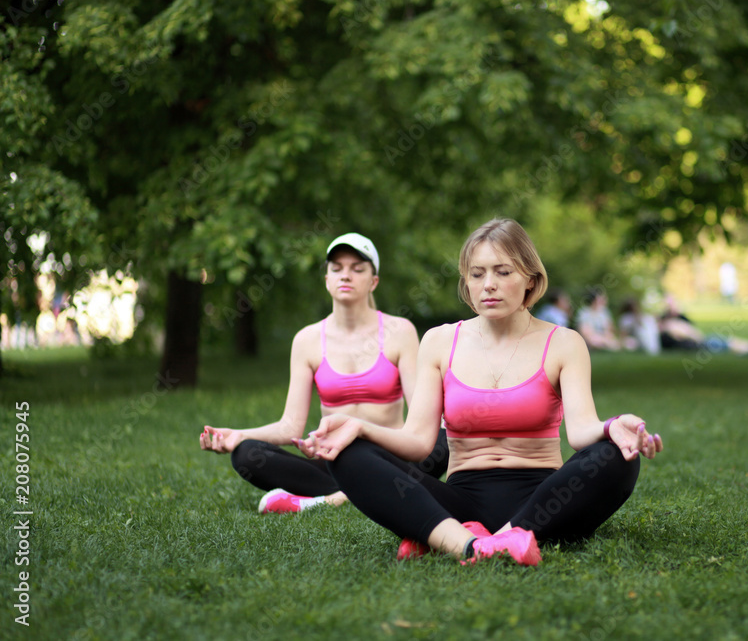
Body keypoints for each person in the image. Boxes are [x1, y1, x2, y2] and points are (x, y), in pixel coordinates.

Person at [293, 219, 662, 565]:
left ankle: (454, 536)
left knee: (619, 456)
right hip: (461, 498)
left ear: (530, 280)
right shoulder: (439, 341)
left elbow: (582, 431)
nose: (489, 284)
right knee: (348, 453)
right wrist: (359, 428)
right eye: (477, 274)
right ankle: (473, 544)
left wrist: (613, 426)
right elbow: (420, 442)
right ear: (466, 282)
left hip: (544, 499)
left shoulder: (564, 342)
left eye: (503, 272)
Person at [199, 233, 448, 514]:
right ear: (327, 279)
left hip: (390, 460)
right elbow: (290, 426)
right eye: (337, 268)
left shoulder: (400, 332)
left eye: (357, 268)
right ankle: (360, 493)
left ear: (373, 281)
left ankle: (330, 499)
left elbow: (420, 417)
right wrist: (238, 435)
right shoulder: (307, 340)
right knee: (247, 454)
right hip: (333, 463)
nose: (346, 275)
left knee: (442, 440)